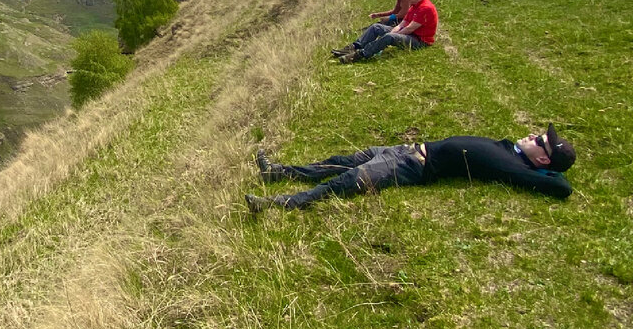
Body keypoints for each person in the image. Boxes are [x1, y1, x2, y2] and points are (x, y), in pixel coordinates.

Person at [245, 124, 575, 212]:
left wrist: (547, 174)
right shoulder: (512, 151)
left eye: (541, 140)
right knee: (341, 161)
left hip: (412, 165)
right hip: (407, 149)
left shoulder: (514, 167)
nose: (535, 135)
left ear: (543, 159)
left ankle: (284, 202)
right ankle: (277, 172)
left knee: (347, 180)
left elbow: (561, 187)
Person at [333, 0, 437, 63]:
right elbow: (403, 23)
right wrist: (394, 30)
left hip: (419, 41)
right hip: (410, 35)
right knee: (376, 27)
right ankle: (355, 46)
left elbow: (410, 28)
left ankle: (360, 55)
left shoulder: (425, 8)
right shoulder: (414, 6)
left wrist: (393, 34)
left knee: (390, 37)